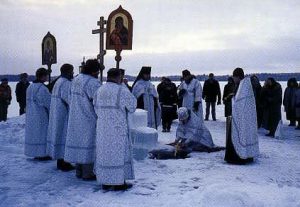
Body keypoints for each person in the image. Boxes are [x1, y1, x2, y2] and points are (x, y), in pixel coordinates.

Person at [94, 68, 137, 191]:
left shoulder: (99, 90)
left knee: (104, 154)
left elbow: (95, 108)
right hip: (117, 129)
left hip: (103, 128)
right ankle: (119, 182)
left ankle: (105, 181)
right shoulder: (121, 90)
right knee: (118, 155)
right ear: (119, 77)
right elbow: (133, 106)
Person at [64, 59, 101, 180]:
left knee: (78, 142)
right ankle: (87, 172)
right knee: (88, 143)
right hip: (88, 117)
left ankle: (79, 170)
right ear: (94, 71)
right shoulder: (93, 83)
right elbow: (98, 101)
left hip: (75, 115)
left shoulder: (76, 79)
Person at [224, 68, 259, 165]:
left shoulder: (244, 86)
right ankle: (244, 155)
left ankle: (238, 157)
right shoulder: (242, 85)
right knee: (241, 135)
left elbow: (240, 102)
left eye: (234, 77)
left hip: (242, 117)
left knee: (239, 135)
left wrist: (233, 99)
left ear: (238, 77)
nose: (233, 79)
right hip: (239, 117)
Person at [47, 64, 75, 171]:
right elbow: (69, 99)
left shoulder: (58, 81)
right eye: (72, 71)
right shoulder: (66, 83)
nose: (73, 73)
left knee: (59, 136)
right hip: (63, 114)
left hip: (57, 113)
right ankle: (63, 162)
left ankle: (61, 160)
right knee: (64, 137)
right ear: (68, 72)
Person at [24, 68, 51, 160]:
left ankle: (35, 152)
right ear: (42, 76)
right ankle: (42, 154)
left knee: (34, 134)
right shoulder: (42, 88)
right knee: (42, 133)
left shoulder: (30, 86)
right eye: (46, 75)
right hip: (40, 114)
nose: (47, 77)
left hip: (31, 113)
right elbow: (48, 102)